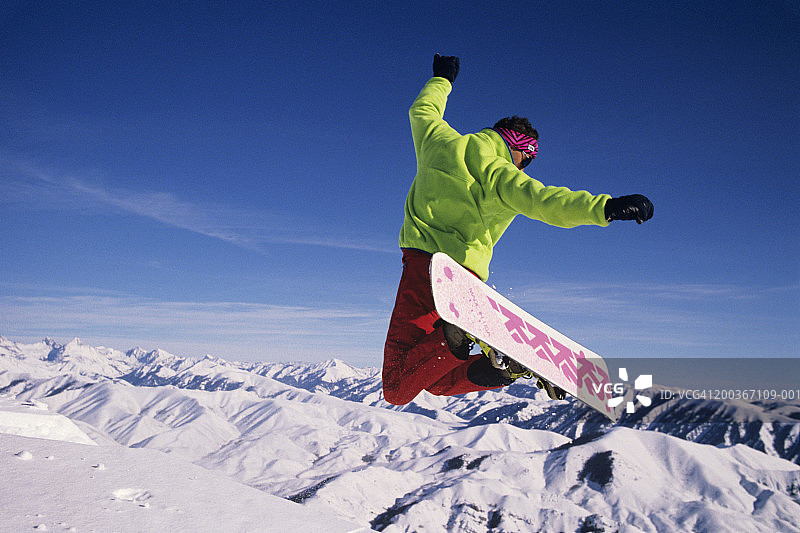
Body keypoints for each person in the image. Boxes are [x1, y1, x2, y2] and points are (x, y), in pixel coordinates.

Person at [382, 54, 653, 406]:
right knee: (429, 378)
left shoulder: (439, 141)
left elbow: (423, 110)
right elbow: (545, 201)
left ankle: (459, 336)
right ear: (519, 150)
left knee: (396, 387)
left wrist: (443, 79)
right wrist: (605, 207)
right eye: (527, 161)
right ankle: (499, 370)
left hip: (424, 269)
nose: (525, 169)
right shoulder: (502, 174)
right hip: (464, 279)